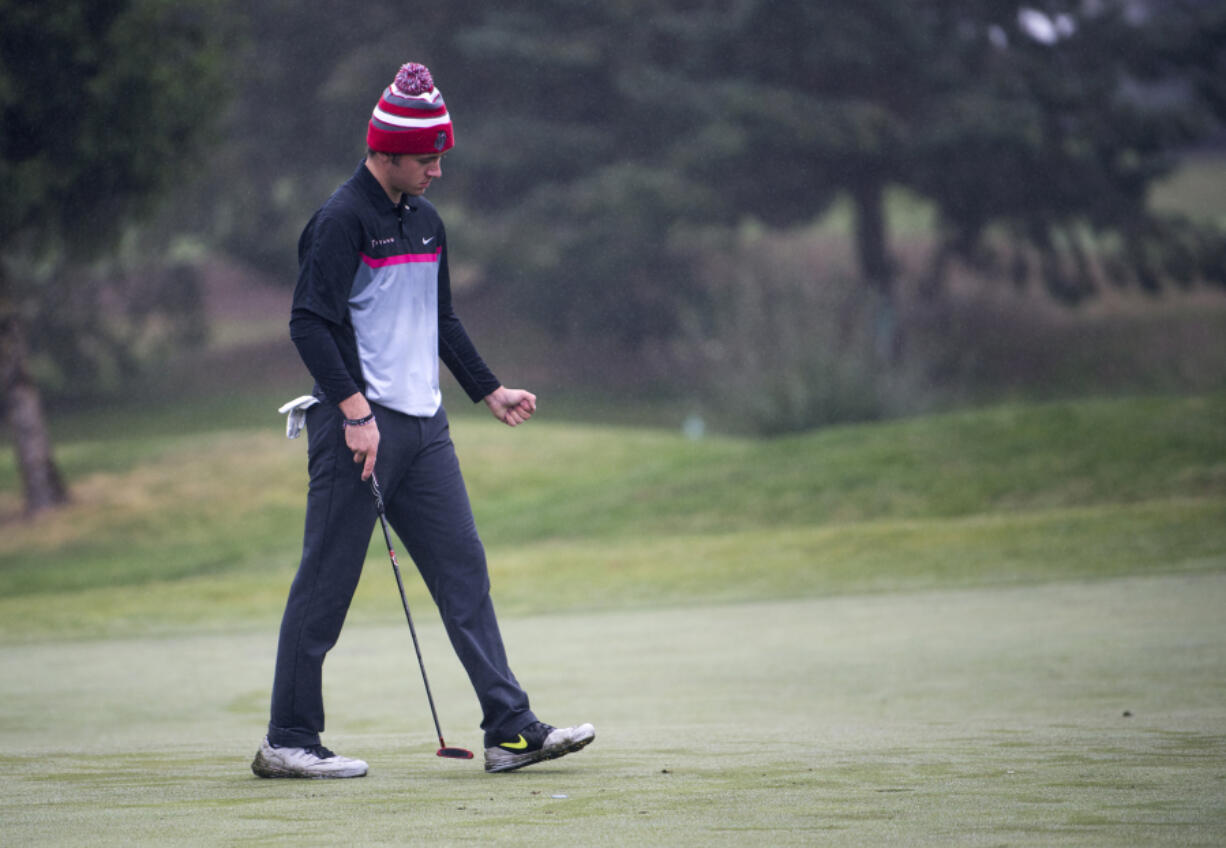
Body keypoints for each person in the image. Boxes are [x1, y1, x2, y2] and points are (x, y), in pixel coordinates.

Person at [251, 61, 594, 779]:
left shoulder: (426, 220)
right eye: (425, 156)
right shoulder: (340, 220)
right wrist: (352, 412)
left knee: (463, 571)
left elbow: (439, 319)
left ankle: (511, 731)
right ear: (385, 151)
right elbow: (308, 324)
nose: (437, 168)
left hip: (425, 428)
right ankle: (288, 738)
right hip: (358, 428)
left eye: (440, 154)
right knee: (328, 581)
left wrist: (488, 390)